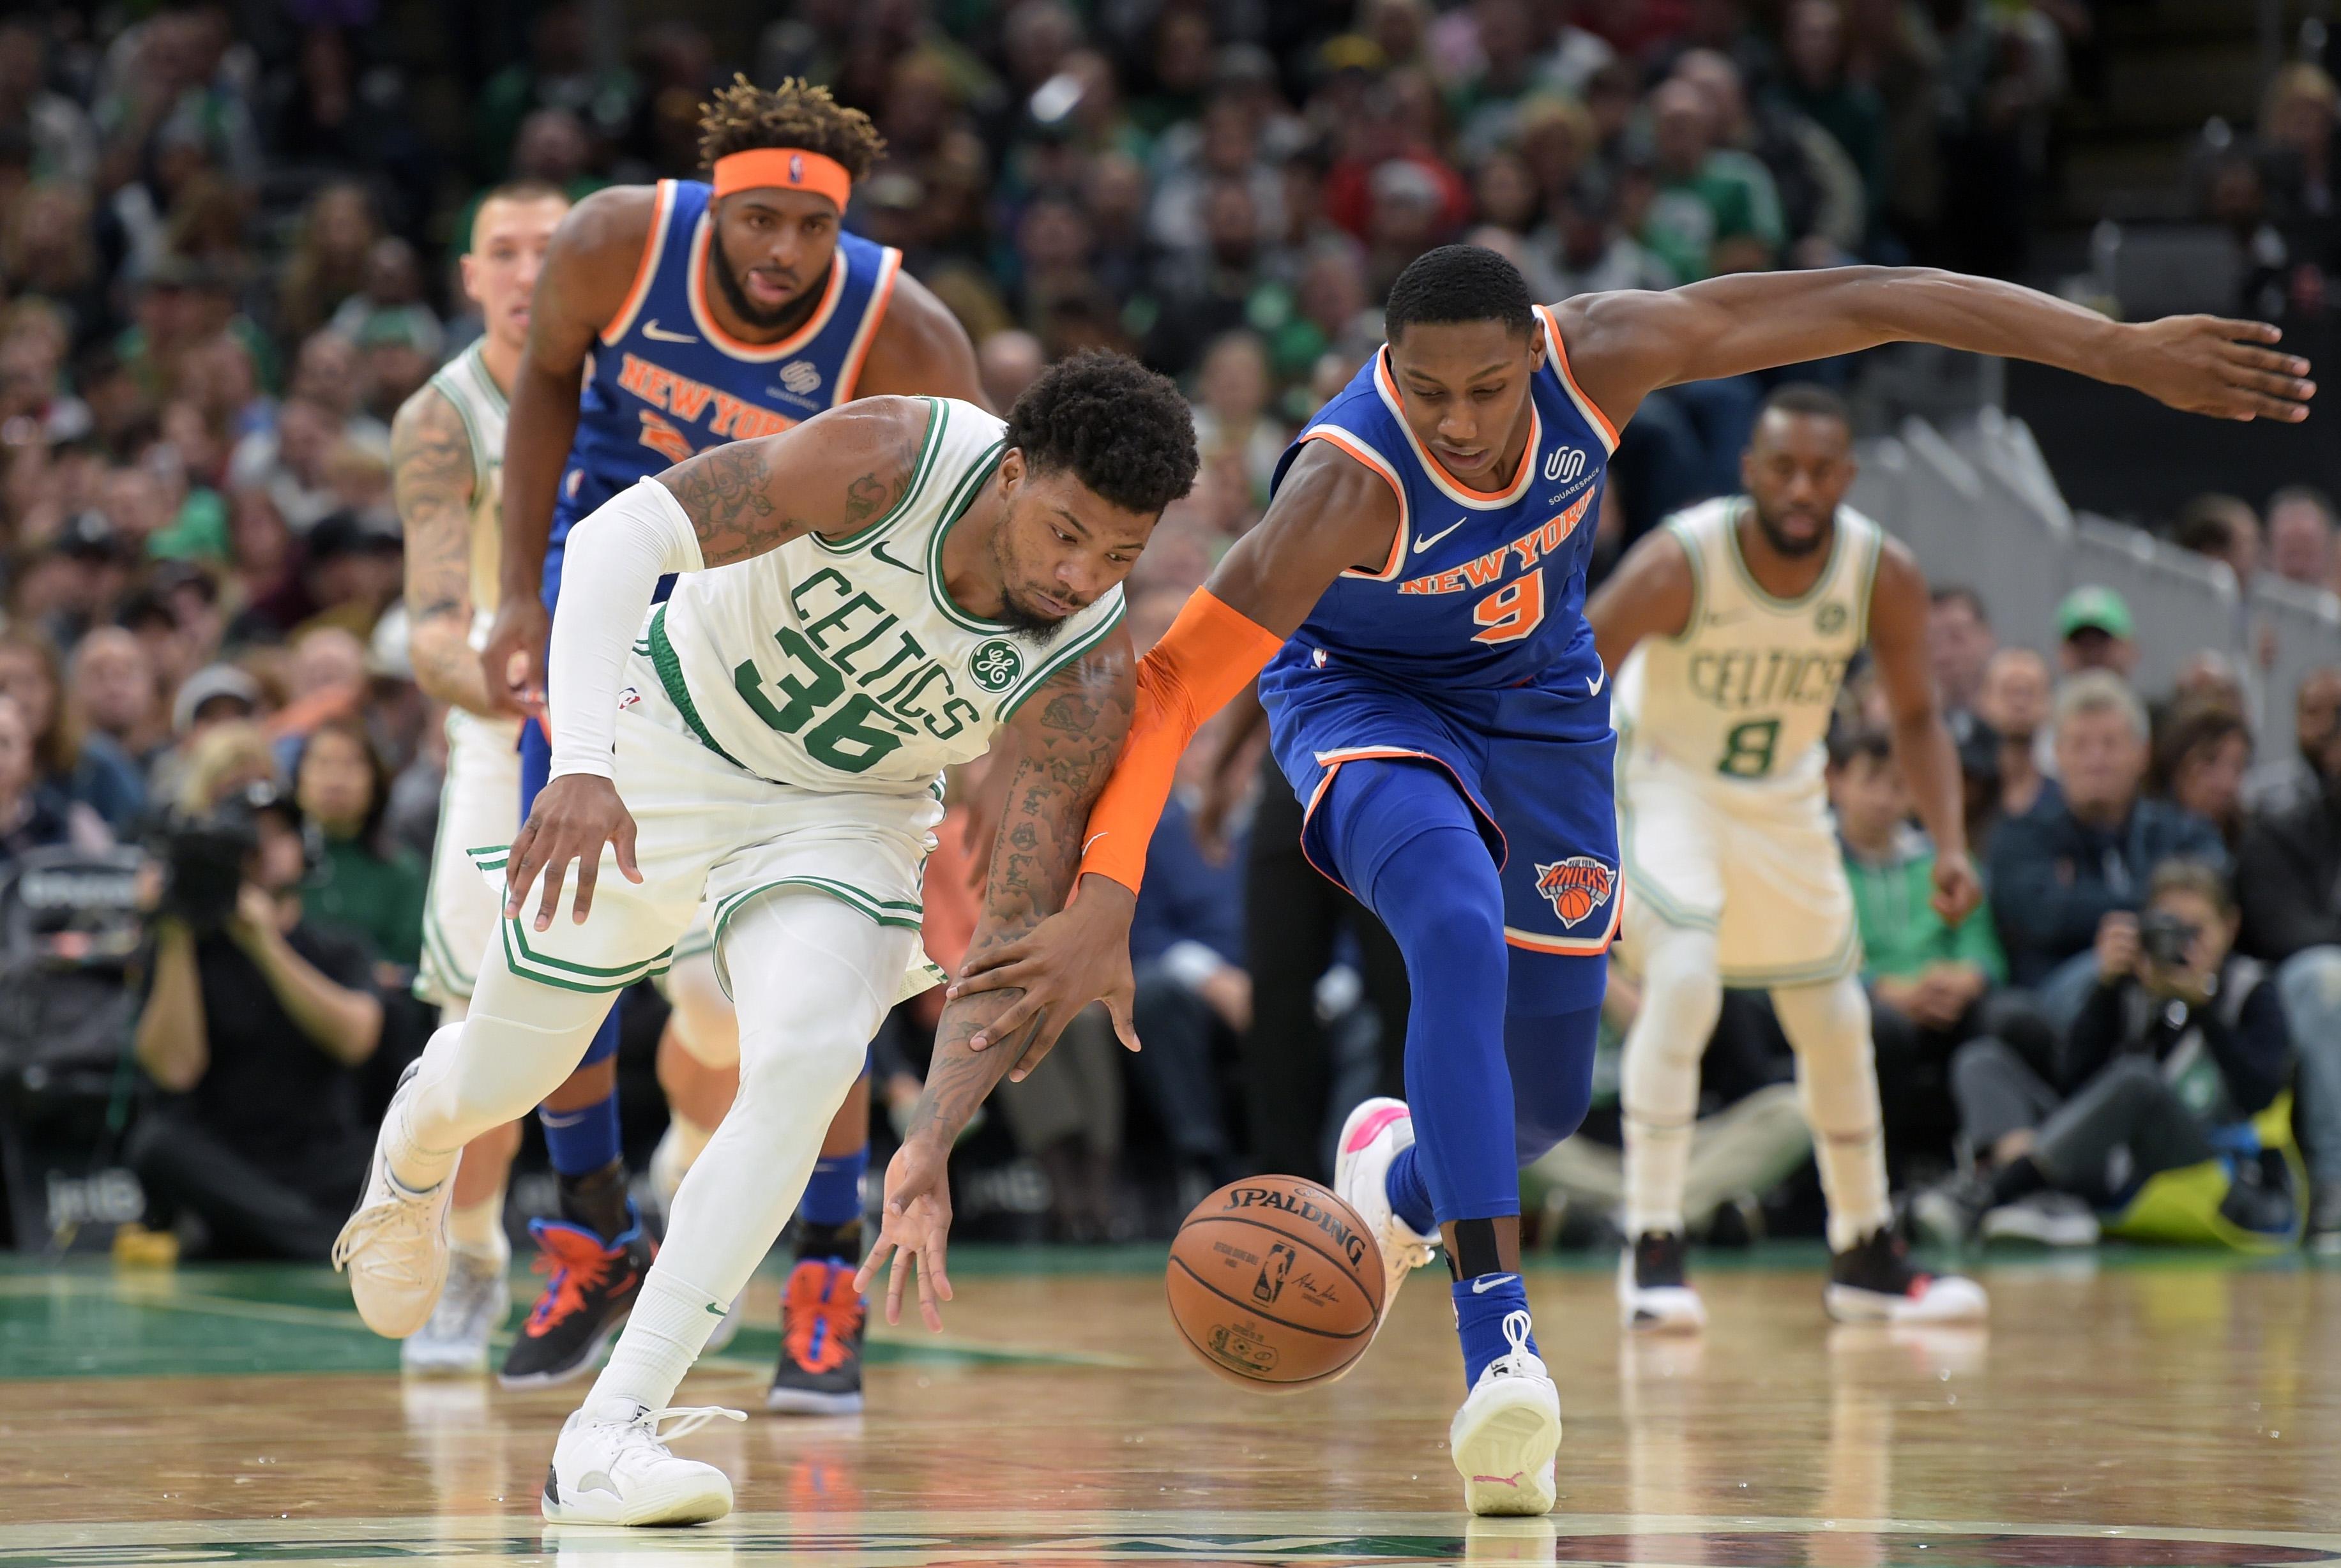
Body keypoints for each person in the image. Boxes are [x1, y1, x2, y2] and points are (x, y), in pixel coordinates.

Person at [874, 245, 2311, 1518]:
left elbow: (1870, 299)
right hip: (1366, 703)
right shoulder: (1342, 481)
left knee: (1547, 1101)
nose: (1459, 419)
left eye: (1487, 390)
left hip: (1547, 705)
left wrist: (2114, 352)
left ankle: (1402, 1171)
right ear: (1388, 370)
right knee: (1445, 921)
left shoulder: (1607, 352)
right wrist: (1110, 893)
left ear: (1533, 358)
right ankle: (1500, 1342)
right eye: (1427, 390)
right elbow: (1176, 682)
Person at [332, 356, 1198, 1526]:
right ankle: (420, 1142)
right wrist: (579, 765)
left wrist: (931, 1141)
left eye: (1117, 558)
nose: (1077, 575)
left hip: (842, 818)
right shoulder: (888, 459)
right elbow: (612, 541)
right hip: (669, 733)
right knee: (511, 1067)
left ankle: (612, 1428)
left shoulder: (1081, 674)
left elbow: (1002, 939)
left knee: (808, 1058)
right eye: (1064, 533)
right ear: (1010, 472)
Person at [470, 77, 989, 1398]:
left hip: (785, 654)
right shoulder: (609, 245)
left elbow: (961, 525)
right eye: (758, 223)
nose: (781, 255)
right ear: (714, 204)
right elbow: (540, 391)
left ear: (845, 235)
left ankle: (825, 1257)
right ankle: (591, 1230)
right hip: (614, 608)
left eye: (808, 234)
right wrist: (516, 592)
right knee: (555, 923)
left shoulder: (908, 330)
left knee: (818, 967)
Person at [1584, 385, 1986, 1332]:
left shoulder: (1880, 572)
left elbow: (1919, 717)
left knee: (1836, 1017)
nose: (1801, 487)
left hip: (1783, 799)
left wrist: (1952, 842)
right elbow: (1576, 662)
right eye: (1783, 469)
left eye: (1820, 471)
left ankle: (1863, 1251)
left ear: (1845, 477)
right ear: (1749, 473)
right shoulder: (1684, 557)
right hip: (1662, 778)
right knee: (1682, 978)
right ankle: (1650, 1245)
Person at [386, 177, 569, 1375]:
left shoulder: (637, 390)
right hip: (511, 734)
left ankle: (675, 1179)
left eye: (550, 251)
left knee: (721, 1001)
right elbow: (434, 628)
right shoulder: (442, 416)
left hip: (656, 721)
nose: (525, 272)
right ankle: (477, 1253)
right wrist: (519, 684)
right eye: (501, 250)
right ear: (469, 276)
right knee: (482, 1022)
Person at [1918, 861, 2294, 1248]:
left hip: (2206, 1161)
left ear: (2230, 927)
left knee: (2137, 1079)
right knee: (1982, 1060)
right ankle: (2040, 1199)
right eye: (2167, 930)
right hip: (2113, 1158)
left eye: (2194, 932)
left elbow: (2260, 1095)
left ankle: (1993, 1192)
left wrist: (2203, 1009)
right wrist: (2106, 990)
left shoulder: (2251, 990)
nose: (2182, 947)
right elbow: (2075, 1085)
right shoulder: (2130, 988)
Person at [127, 730, 384, 1262]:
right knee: (157, 1146)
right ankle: (318, 1243)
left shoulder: (335, 946)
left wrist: (265, 944)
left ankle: (263, 1231)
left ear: (301, 849)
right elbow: (175, 1070)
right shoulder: (187, 948)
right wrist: (174, 934)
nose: (265, 850)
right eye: (251, 838)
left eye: (279, 835)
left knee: (393, 1148)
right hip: (229, 1158)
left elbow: (357, 1039)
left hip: (321, 1157)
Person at [1989, 673, 2227, 1025]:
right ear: (2057, 754)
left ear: (2141, 753)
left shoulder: (2181, 830)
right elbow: (2042, 916)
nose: (2096, 759)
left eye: (2111, 743)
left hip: (2177, 979)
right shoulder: (2021, 834)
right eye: (2080, 745)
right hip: (2057, 999)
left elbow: (2213, 893)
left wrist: (2081, 901)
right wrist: (2156, 912)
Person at [1832, 727, 2007, 1173]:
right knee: (1883, 1028)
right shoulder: (1817, 865)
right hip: (1869, 999)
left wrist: (1968, 977)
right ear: (1836, 783)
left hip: (1944, 997)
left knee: (2007, 1019)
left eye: (1898, 785)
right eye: (1870, 780)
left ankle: (1993, 1174)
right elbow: (1811, 953)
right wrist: (1881, 990)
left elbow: (1983, 947)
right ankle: (1878, 1177)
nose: (1884, 798)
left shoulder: (1942, 859)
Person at [2234, 702, 2341, 1252]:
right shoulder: (2284, 830)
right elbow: (2280, 928)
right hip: (2298, 992)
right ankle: (2334, 1183)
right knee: (2326, 978)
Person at [294, 717, 427, 975]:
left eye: (350, 765)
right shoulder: (277, 865)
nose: (335, 780)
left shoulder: (401, 871)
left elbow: (407, 962)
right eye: (322, 764)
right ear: (299, 776)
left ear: (375, 779)